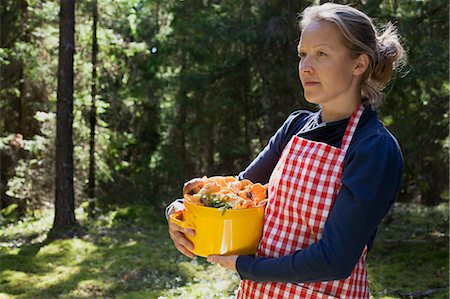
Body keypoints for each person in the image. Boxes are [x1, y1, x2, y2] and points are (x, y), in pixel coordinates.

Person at [167, 2, 406, 298]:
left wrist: (246, 267)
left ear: (359, 64)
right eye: (303, 55)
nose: (306, 67)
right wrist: (181, 211)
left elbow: (335, 259)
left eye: (322, 54)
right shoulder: (296, 127)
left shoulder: (373, 148)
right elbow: (240, 196)